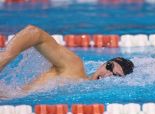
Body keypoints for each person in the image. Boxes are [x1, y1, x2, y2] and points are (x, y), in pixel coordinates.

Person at [0, 25, 134, 92]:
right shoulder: (75, 67)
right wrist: (7, 55)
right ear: (104, 63)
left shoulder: (81, 89)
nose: (107, 74)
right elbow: (34, 32)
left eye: (115, 76)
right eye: (109, 67)